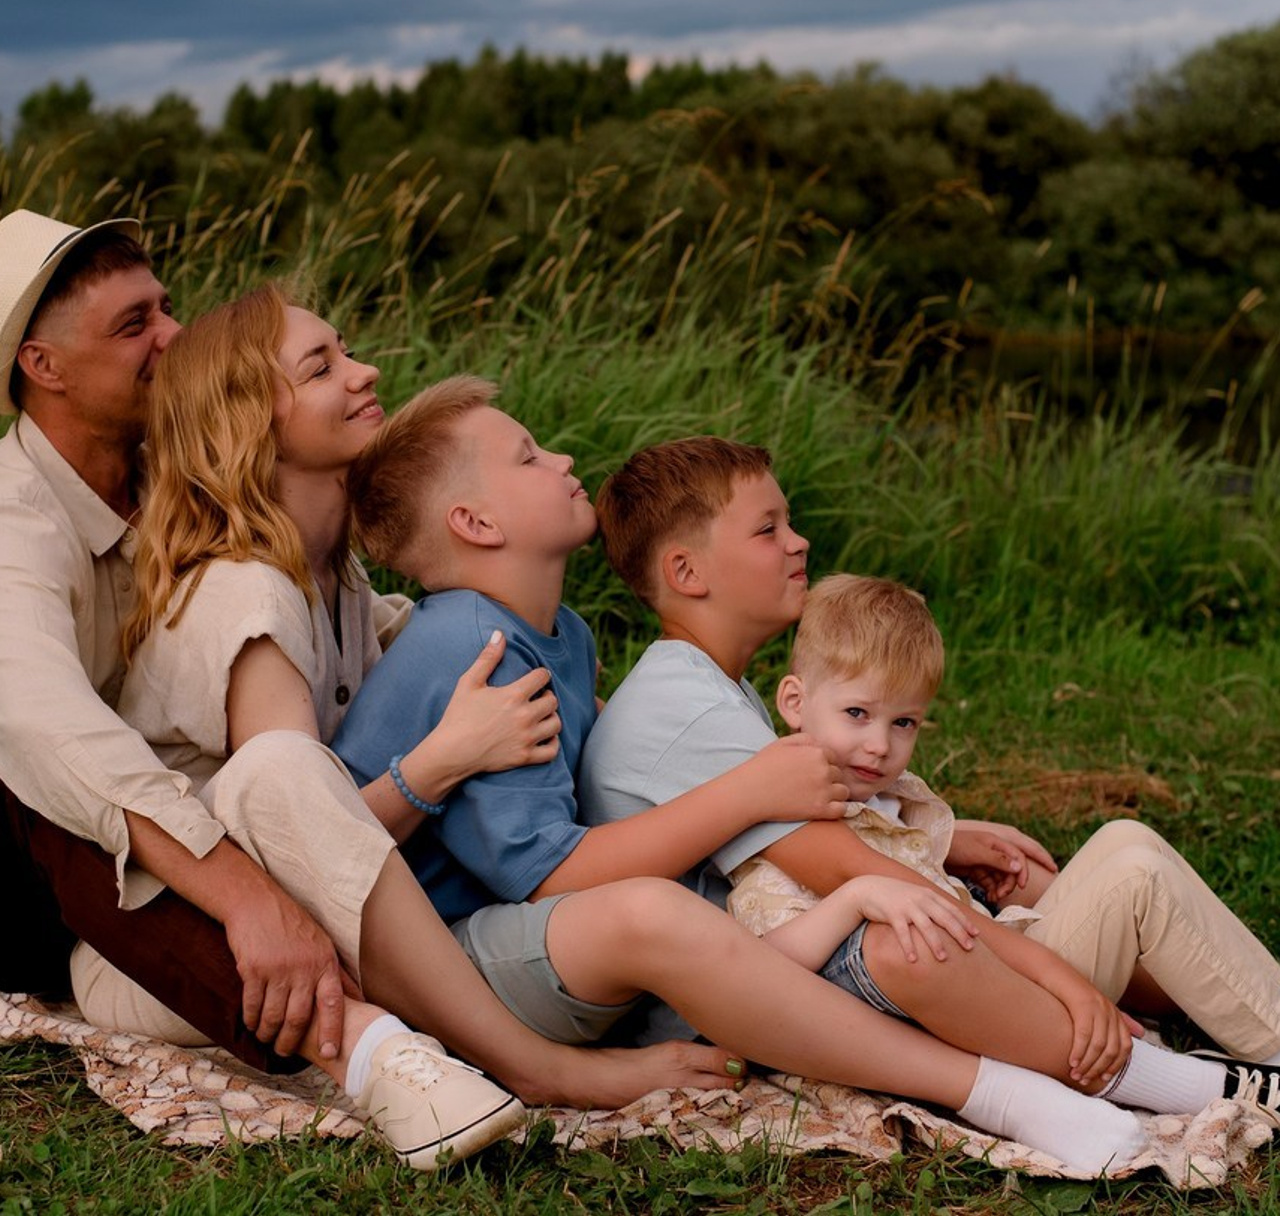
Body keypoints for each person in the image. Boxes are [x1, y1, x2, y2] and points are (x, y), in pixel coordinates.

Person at [0, 213, 747, 1164]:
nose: (172, 338)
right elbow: (53, 736)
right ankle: (526, 1061)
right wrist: (428, 770)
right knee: (277, 768)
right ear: (45, 365)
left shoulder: (294, 555)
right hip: (126, 904)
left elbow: (373, 636)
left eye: (168, 309)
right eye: (133, 323)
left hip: (229, 868)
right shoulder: (37, 530)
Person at [332, 375, 1155, 1173]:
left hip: (527, 950)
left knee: (725, 921)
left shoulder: (564, 634)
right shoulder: (472, 649)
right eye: (527, 456)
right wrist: (750, 791)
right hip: (442, 970)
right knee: (660, 913)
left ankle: (1072, 1053)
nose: (560, 459)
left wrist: (926, 832)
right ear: (474, 522)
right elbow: (550, 875)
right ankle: (999, 1089)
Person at [576, 435, 1280, 1124]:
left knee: (1042, 871)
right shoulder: (689, 708)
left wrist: (950, 836)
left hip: (811, 974)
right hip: (793, 1006)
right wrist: (1066, 983)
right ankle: (1216, 1039)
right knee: (1130, 865)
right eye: (768, 529)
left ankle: (1200, 1018)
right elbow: (850, 870)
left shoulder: (703, 688)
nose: (799, 543)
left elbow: (825, 844)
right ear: (687, 572)